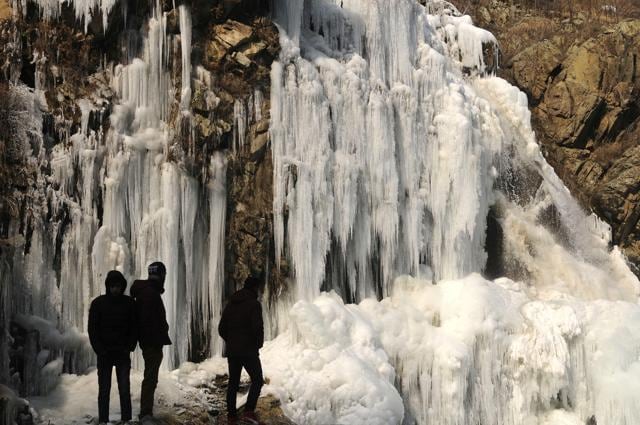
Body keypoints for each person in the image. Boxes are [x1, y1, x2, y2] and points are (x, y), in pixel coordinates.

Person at [88, 270, 137, 425]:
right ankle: (103, 419)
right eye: (113, 286)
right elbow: (92, 329)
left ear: (122, 286)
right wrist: (99, 350)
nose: (115, 289)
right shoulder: (98, 303)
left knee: (124, 388)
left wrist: (129, 346)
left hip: (122, 353)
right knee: (104, 390)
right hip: (105, 354)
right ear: (108, 286)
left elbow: (134, 327)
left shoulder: (129, 303)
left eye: (118, 286)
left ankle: (126, 419)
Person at [218, 276, 265, 425]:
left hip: (233, 351)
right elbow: (257, 327)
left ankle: (231, 416)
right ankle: (249, 412)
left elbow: (221, 328)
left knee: (233, 383)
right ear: (254, 288)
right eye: (258, 288)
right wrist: (258, 343)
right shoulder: (254, 304)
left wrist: (231, 341)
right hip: (248, 350)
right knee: (257, 380)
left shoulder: (230, 304)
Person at [130, 262, 171, 421]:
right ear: (161, 276)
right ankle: (145, 412)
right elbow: (148, 320)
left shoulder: (147, 292)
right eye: (163, 275)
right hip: (152, 342)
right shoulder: (150, 294)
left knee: (150, 376)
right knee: (150, 378)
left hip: (150, 340)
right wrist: (160, 330)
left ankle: (146, 410)